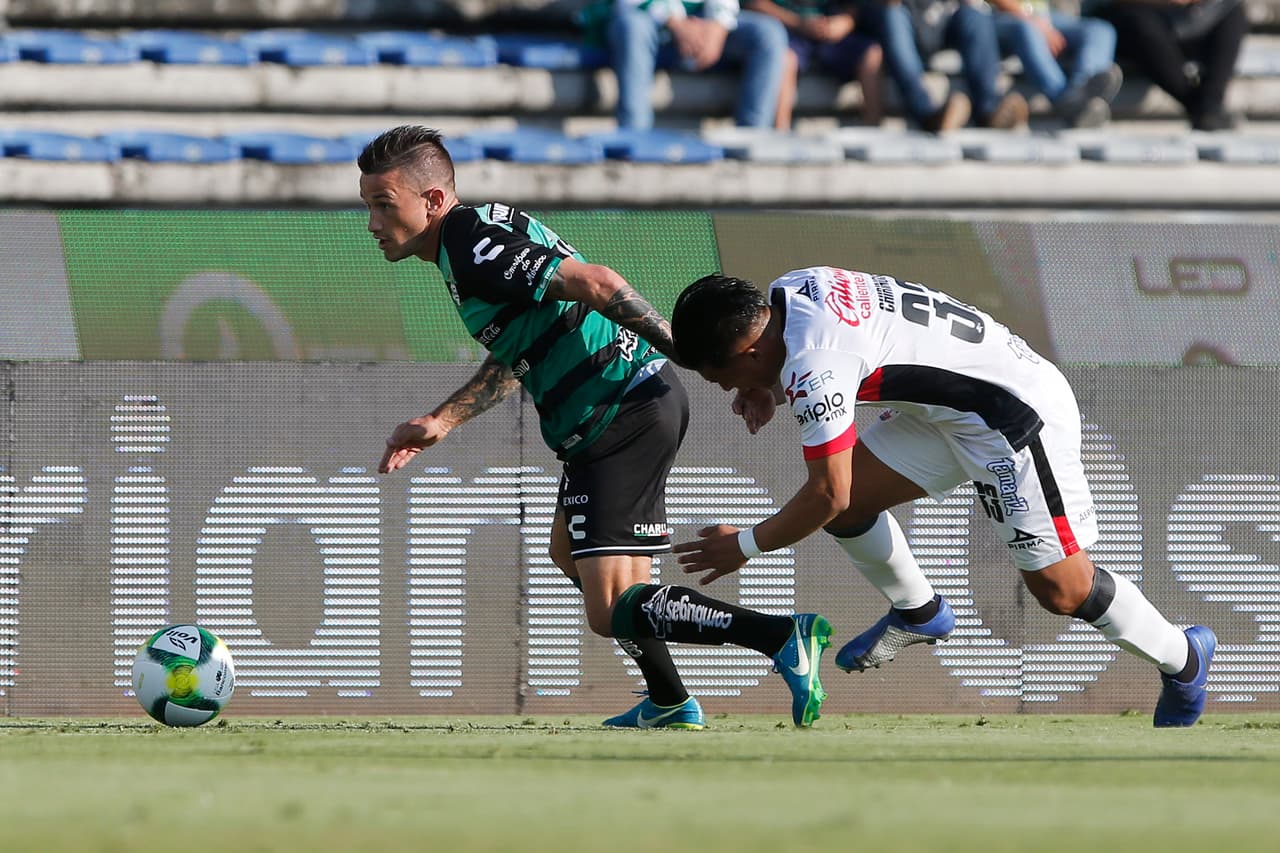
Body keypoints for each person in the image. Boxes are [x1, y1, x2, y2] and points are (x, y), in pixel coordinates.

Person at [357, 126, 833, 729]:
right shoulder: (471, 241)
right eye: (368, 205)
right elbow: (526, 343)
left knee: (610, 607)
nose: (372, 223)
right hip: (616, 410)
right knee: (570, 556)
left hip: (619, 409)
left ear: (431, 200)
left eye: (383, 204)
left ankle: (781, 637)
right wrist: (442, 420)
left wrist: (699, 359)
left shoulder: (471, 242)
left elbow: (598, 284)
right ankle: (669, 700)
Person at [670, 267, 1216, 727]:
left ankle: (1183, 657)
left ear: (748, 351)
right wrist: (765, 383)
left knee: (1062, 589)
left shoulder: (815, 366)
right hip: (956, 403)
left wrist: (745, 545)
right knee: (856, 502)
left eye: (722, 378)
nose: (727, 390)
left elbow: (826, 493)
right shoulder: (792, 289)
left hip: (1013, 417)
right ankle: (920, 611)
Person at [608, 0, 790, 129]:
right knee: (632, 26)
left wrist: (718, 27)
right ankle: (635, 135)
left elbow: (724, 8)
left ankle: (751, 136)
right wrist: (676, 23)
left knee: (769, 33)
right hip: (654, 24)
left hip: (706, 24)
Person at [861, 0, 1030, 132]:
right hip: (902, 13)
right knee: (893, 15)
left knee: (975, 17)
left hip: (943, 15)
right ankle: (928, 115)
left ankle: (989, 111)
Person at [1096, 0, 1247, 131]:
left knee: (1233, 13)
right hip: (1138, 18)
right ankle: (1205, 108)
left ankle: (1208, 105)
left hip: (1186, 20)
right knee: (1140, 24)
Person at [744, 0, 885, 129]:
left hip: (832, 35)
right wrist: (798, 23)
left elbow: (853, 8)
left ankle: (873, 131)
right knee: (784, 58)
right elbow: (754, 4)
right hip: (789, 32)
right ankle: (780, 134)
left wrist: (844, 23)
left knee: (872, 54)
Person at [986, 0, 1123, 128]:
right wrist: (1030, 19)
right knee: (1026, 29)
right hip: (999, 15)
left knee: (1101, 30)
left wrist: (1039, 20)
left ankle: (1080, 90)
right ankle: (1064, 99)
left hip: (1042, 15)